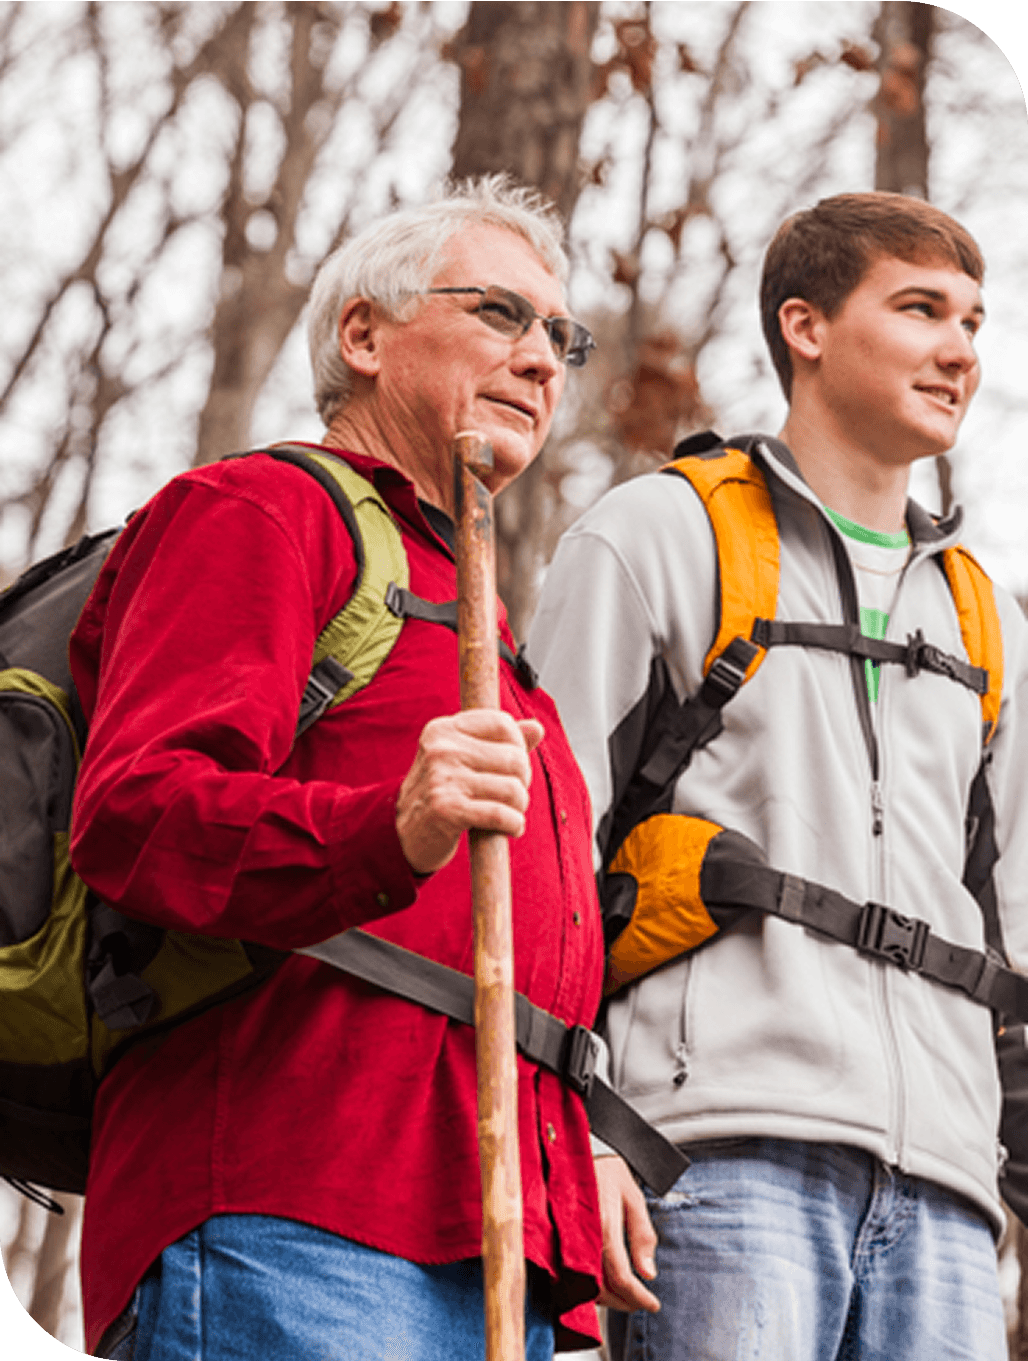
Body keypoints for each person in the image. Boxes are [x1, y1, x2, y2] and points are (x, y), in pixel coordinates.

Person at [70, 176, 606, 1360]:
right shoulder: (260, 510)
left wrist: (583, 1144)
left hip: (491, 1245)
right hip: (289, 1215)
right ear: (363, 334)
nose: (541, 360)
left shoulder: (483, 621)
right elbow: (135, 812)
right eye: (501, 316)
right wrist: (390, 824)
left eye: (559, 335)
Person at [528, 192, 1028, 1360]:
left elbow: (1015, 929)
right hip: (706, 1157)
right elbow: (542, 859)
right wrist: (577, 1135)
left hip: (946, 1198)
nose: (958, 349)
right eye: (917, 309)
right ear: (803, 327)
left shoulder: (988, 620)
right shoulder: (654, 533)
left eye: (971, 319)